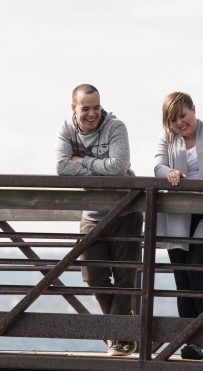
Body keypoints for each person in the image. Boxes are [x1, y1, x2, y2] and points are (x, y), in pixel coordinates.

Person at [55, 84, 143, 356]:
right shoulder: (67, 130)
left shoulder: (116, 127)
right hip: (92, 214)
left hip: (125, 209)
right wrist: (99, 165)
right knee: (93, 275)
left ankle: (121, 339)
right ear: (74, 108)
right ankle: (122, 331)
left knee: (125, 275)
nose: (92, 113)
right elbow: (61, 168)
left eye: (96, 107)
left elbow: (118, 169)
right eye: (85, 108)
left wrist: (83, 161)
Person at [154, 92, 203, 360]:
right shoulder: (168, 137)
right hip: (178, 216)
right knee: (182, 278)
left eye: (183, 116)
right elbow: (158, 166)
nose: (180, 123)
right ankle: (190, 342)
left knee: (197, 268)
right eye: (174, 119)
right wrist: (170, 173)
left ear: (193, 110)